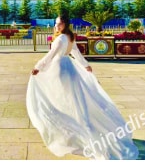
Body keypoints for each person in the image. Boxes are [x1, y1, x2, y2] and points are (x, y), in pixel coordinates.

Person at [27, 15, 139, 160]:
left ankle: (76, 134)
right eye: (56, 23)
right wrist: (86, 66)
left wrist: (38, 67)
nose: (57, 26)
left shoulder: (61, 38)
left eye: (59, 24)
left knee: (60, 100)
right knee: (73, 102)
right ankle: (75, 132)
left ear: (65, 24)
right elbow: (76, 53)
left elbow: (51, 55)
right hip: (69, 68)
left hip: (60, 69)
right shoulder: (70, 37)